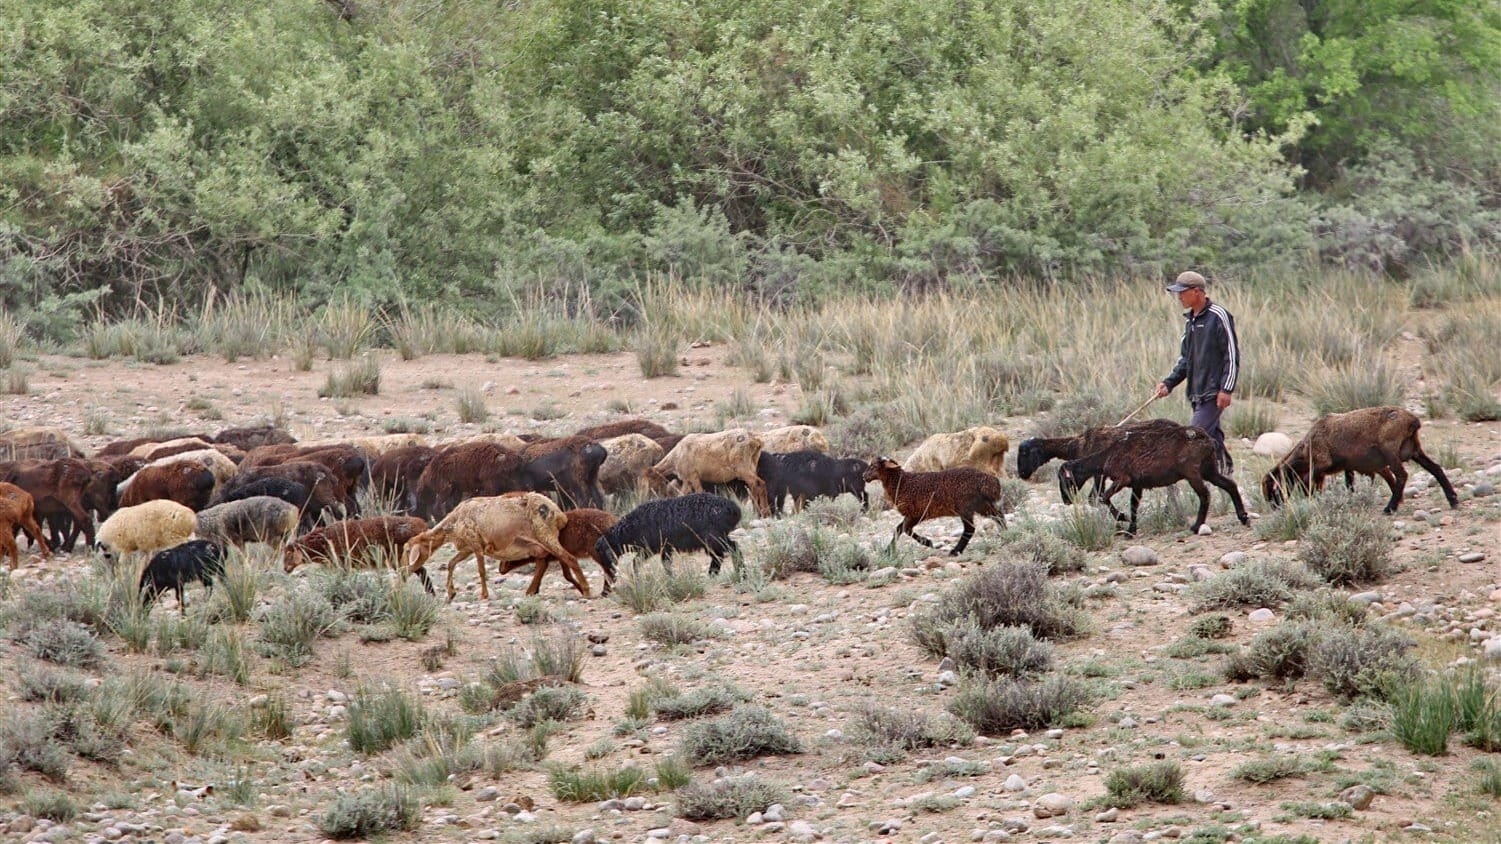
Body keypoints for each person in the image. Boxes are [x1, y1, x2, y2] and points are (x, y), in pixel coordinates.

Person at [1154, 270, 1239, 474]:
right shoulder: (1190, 321)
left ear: (1197, 292)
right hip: (1196, 393)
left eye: (1183, 292)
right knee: (1212, 437)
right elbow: (1186, 360)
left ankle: (1184, 482)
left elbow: (1232, 356)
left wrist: (1226, 389)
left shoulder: (1219, 316)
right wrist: (1169, 383)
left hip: (1213, 392)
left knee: (1192, 437)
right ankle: (1225, 474)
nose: (1179, 297)